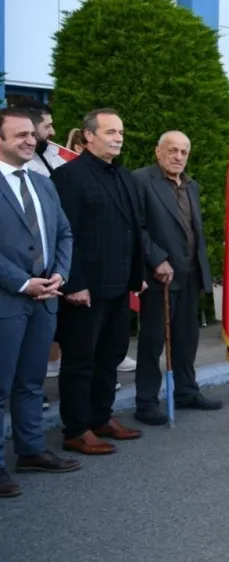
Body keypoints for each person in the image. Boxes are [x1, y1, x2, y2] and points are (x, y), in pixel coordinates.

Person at [52, 108, 147, 455]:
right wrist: (73, 282)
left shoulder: (123, 176)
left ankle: (101, 417)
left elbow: (133, 229)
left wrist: (138, 276)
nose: (118, 137)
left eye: (120, 131)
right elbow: (65, 234)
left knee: (111, 355)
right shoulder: (69, 176)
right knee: (80, 360)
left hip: (120, 285)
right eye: (110, 132)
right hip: (85, 290)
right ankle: (76, 429)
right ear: (89, 136)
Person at [0, 108, 80, 498]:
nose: (31, 141)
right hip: (7, 301)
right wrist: (23, 282)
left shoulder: (43, 183)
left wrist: (59, 275)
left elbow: (64, 233)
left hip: (46, 298)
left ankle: (31, 451)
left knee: (31, 382)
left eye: (32, 134)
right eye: (20, 136)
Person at [132, 131, 220, 425]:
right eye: (172, 150)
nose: (178, 157)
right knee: (154, 339)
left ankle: (186, 391)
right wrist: (157, 259)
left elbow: (192, 231)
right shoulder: (142, 181)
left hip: (190, 274)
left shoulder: (190, 185)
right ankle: (145, 402)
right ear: (158, 152)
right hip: (159, 275)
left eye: (184, 151)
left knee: (187, 338)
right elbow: (136, 227)